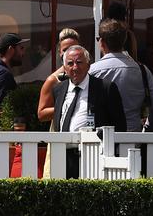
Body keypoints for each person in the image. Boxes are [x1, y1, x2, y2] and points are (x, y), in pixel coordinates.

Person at [51, 46, 125, 177]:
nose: (75, 67)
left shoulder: (105, 88)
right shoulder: (58, 90)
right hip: (64, 157)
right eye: (70, 63)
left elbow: (120, 125)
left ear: (88, 65)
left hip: (94, 156)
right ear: (65, 67)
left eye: (79, 62)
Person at [89, 19, 153, 132]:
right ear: (123, 41)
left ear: (102, 42)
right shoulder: (142, 70)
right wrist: (147, 129)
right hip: (133, 137)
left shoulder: (92, 71)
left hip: (101, 137)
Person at [38, 33, 84, 122]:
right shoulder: (53, 80)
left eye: (73, 48)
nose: (70, 53)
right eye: (65, 49)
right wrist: (66, 106)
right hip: (60, 133)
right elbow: (41, 114)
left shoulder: (88, 76)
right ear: (59, 52)